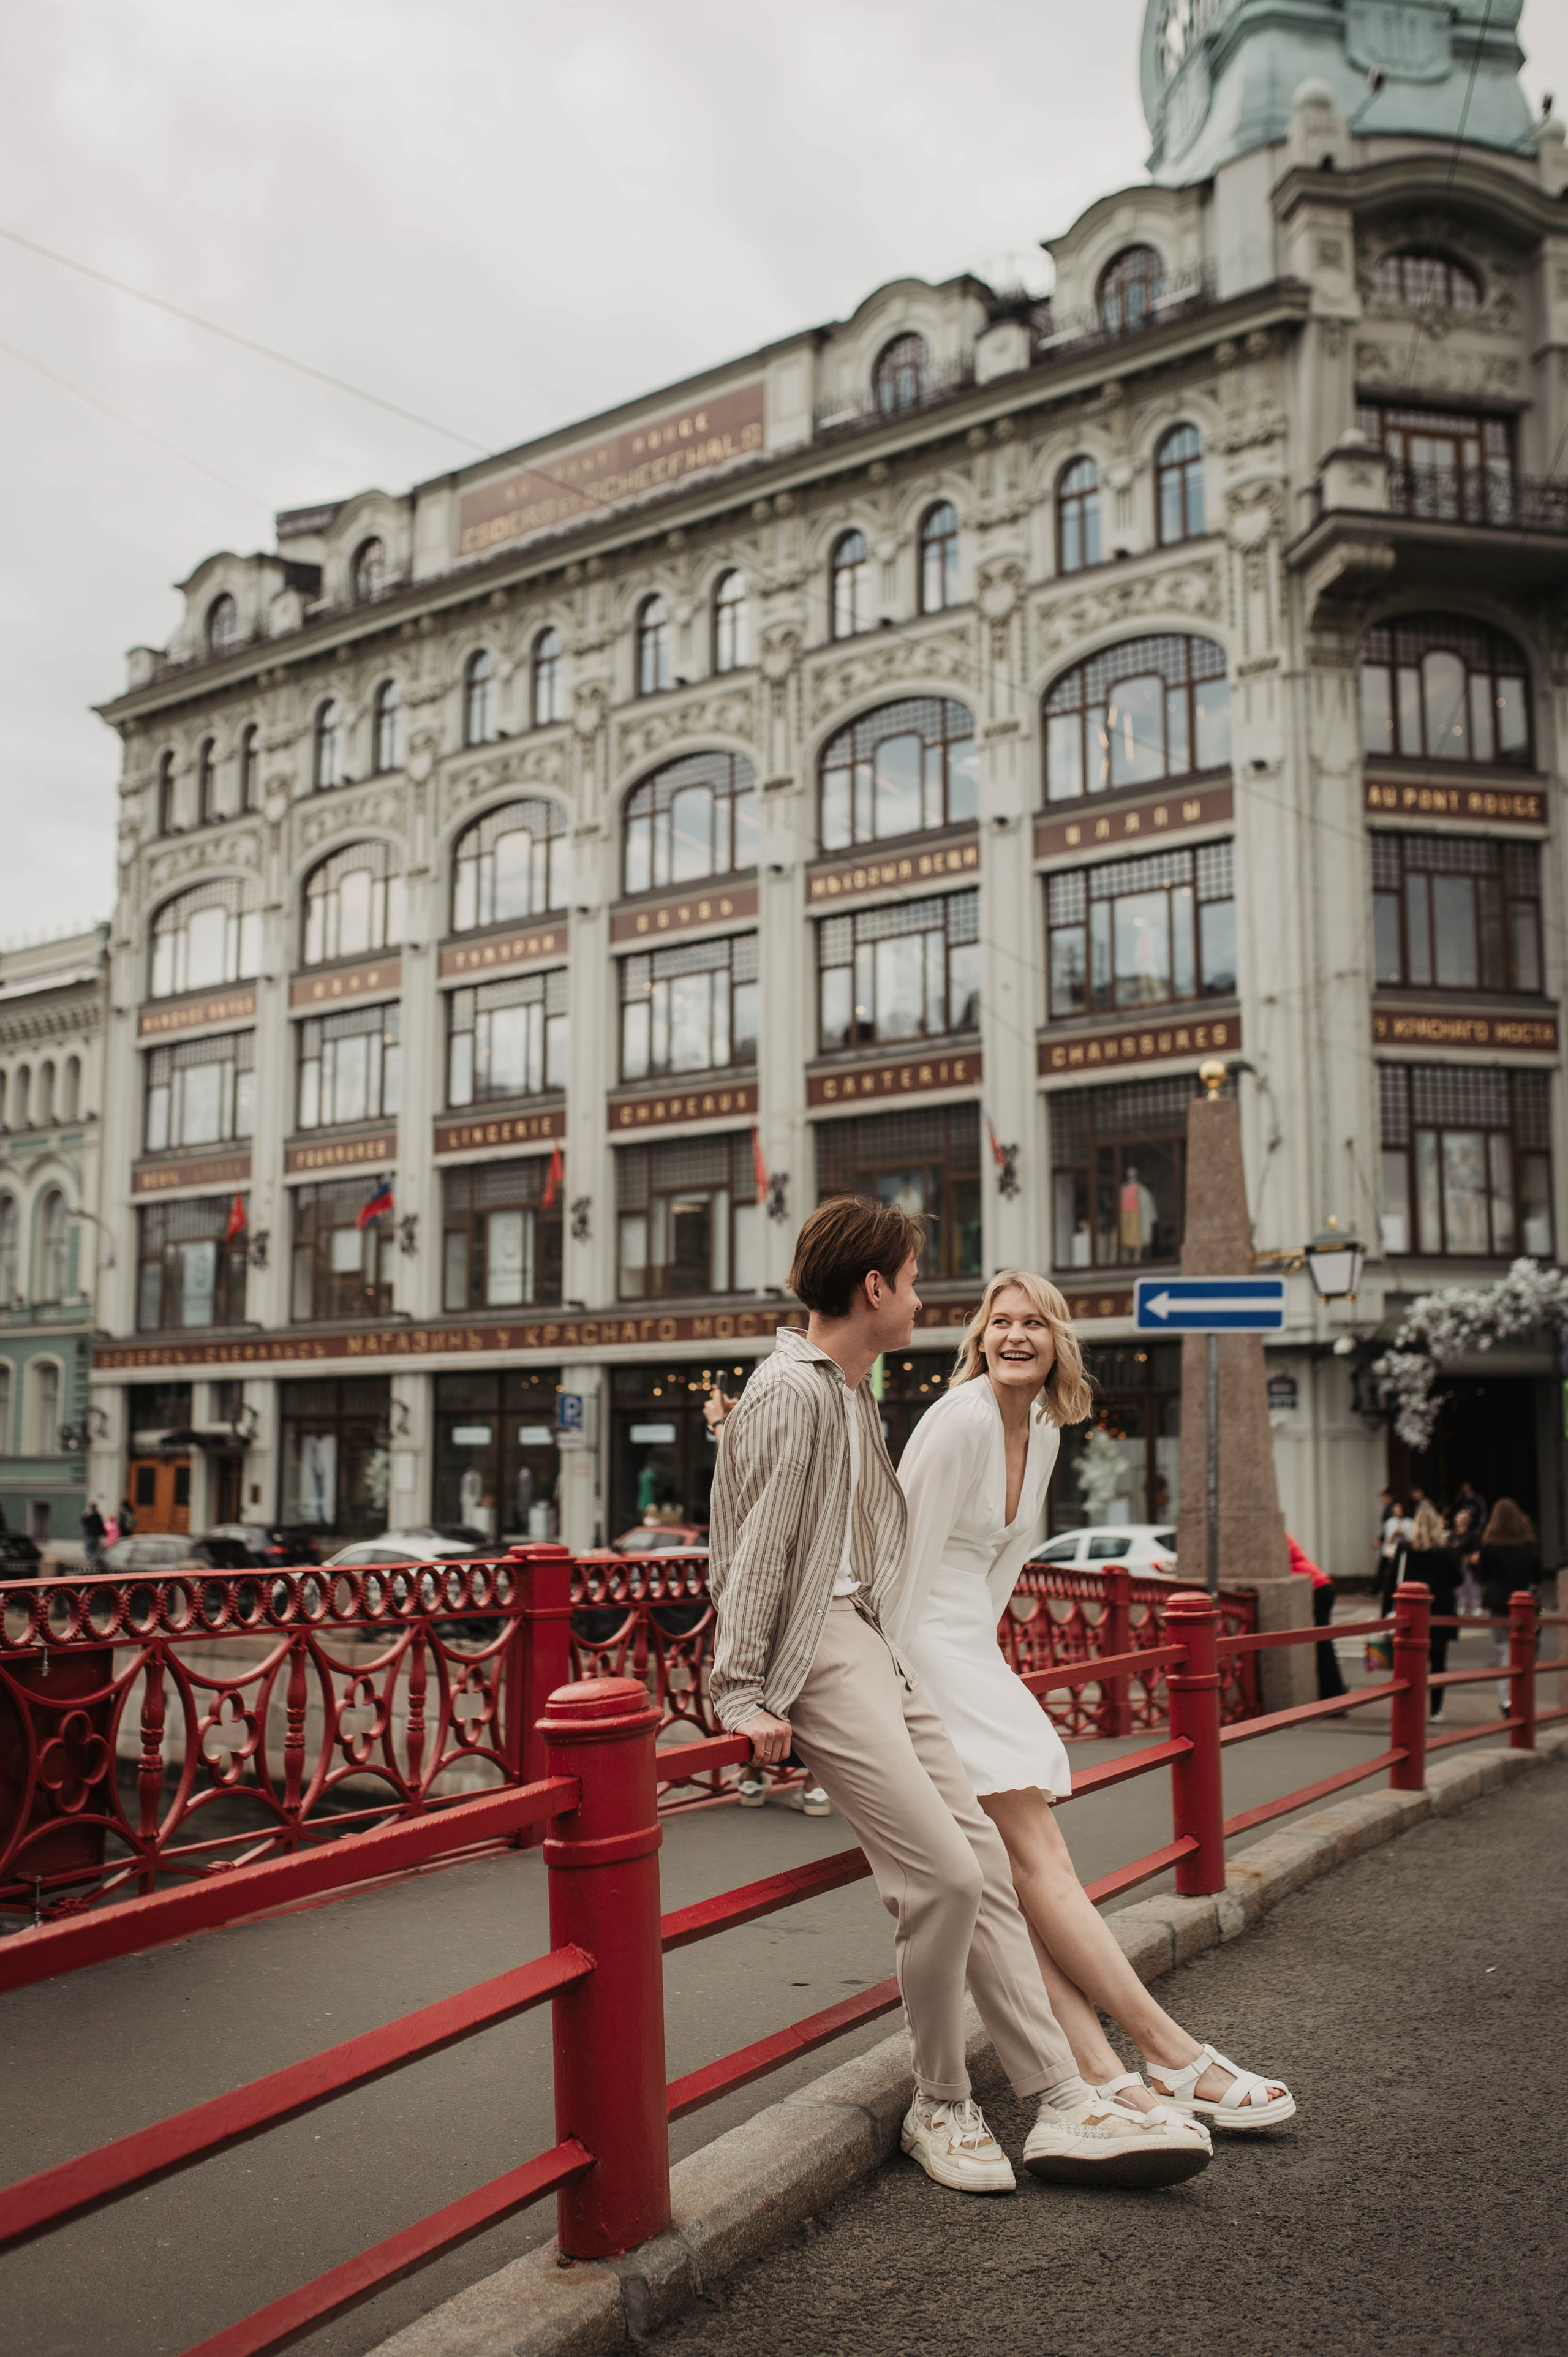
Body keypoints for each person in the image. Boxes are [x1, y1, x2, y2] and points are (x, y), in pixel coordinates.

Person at [708, 1200, 1210, 2193]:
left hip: (872, 1643)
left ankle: (1064, 2097)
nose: (924, 1301)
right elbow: (753, 1549)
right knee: (942, 1877)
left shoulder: (846, 1390)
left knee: (980, 1864)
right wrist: (738, 1691)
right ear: (874, 1289)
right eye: (913, 1281)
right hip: (822, 1653)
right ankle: (941, 2102)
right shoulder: (792, 1390)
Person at [889, 1270, 1292, 2138]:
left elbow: (1004, 1564)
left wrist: (981, 1657)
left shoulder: (1041, 1425)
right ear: (979, 1338)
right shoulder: (959, 1419)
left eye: (1034, 1323)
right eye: (1000, 1322)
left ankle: (1100, 2072)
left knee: (1011, 1885)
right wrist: (896, 1683)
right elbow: (901, 1555)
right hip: (920, 1645)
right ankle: (1171, 2053)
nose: (1015, 1336)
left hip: (966, 1645)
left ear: (1058, 1341)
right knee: (1044, 1864)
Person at [1477, 1498, 1542, 1710]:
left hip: (1498, 1602)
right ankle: (1521, 1696)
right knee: (1527, 1648)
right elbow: (1538, 1575)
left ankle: (1506, 1699)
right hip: (1525, 1602)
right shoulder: (1529, 1545)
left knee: (1503, 1648)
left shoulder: (1490, 1546)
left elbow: (1483, 1576)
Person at [1402, 1503, 1461, 1719]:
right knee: (1438, 1661)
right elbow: (1458, 1580)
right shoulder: (1447, 1552)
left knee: (1411, 1663)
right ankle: (1435, 1710)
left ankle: (1411, 1709)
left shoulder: (1406, 1551)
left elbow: (1394, 1583)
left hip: (1410, 1613)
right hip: (1440, 1611)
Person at [1287, 1532, 1348, 1703]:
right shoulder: (1285, 1535)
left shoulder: (1277, 1536)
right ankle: (1333, 1692)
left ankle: (1333, 1694)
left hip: (1316, 1589)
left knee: (1322, 1645)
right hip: (1320, 1585)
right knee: (1323, 1643)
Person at [80, 1500, 105, 1568]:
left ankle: (92, 1560)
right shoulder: (98, 1516)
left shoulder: (90, 1516)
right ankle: (94, 1560)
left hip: (90, 1535)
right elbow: (101, 1526)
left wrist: (84, 1516)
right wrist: (103, 1534)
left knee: (88, 1548)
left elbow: (84, 1523)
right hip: (96, 1536)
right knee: (93, 1548)